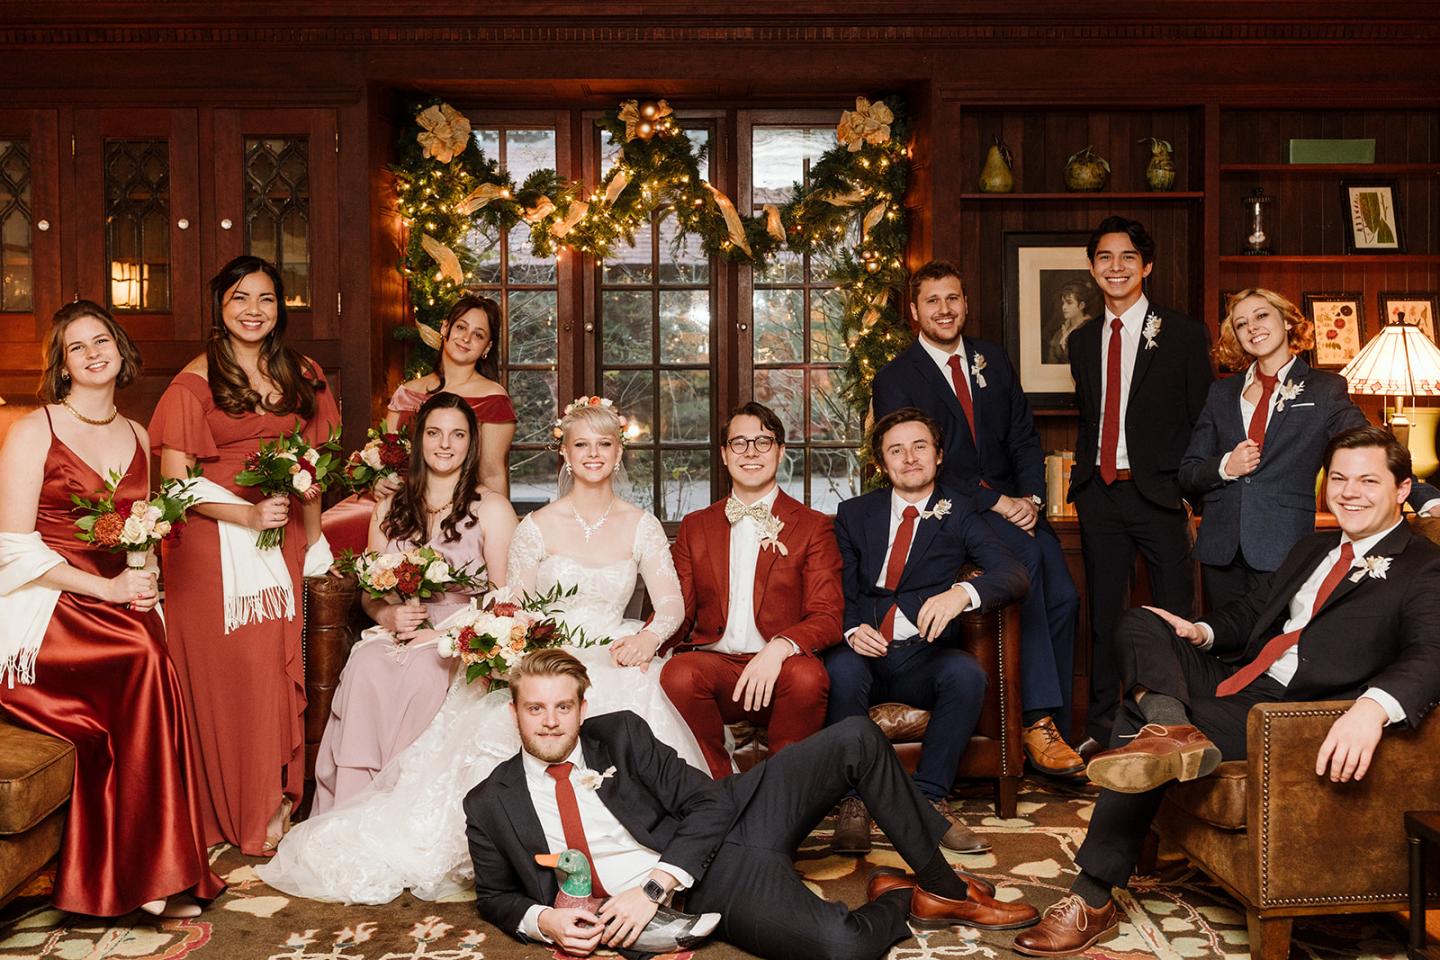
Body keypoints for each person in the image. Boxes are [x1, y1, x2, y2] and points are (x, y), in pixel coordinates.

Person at [256, 397, 705, 904]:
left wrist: (647, 637)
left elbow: (670, 602)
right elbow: (510, 602)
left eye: (604, 444)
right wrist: (513, 645)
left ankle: (622, 851)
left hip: (614, 651)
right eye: (582, 444)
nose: (593, 454)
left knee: (629, 718)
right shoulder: (537, 526)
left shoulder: (641, 524)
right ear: (565, 454)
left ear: (619, 453)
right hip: (547, 654)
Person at [1014, 426, 1440, 956]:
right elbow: (1253, 612)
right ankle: (1170, 728)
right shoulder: (1314, 546)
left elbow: (1432, 653)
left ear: (1402, 490)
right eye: (1339, 478)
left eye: (1368, 480)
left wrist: (1372, 709)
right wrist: (1202, 632)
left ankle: (1091, 896)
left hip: (1288, 713)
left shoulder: (1425, 565)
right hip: (1241, 676)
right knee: (1142, 624)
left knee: (1131, 715)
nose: (1350, 491)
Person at [465, 648, 1040, 960]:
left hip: (723, 822)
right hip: (716, 881)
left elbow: (707, 804)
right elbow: (495, 895)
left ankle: (943, 887)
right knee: (840, 948)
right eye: (535, 709)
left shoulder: (618, 734)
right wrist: (546, 921)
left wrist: (652, 887)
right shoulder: (489, 803)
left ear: (582, 708)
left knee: (856, 738)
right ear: (514, 711)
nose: (549, 721)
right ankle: (902, 900)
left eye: (562, 707)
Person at [0, 301, 224, 917]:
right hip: (45, 605)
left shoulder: (135, 434)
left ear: (121, 350)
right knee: (141, 656)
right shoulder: (33, 429)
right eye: (78, 346)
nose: (94, 352)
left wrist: (144, 579)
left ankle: (155, 875)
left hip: (118, 595)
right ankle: (151, 878)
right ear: (63, 364)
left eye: (103, 340)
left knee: (154, 659)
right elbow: (12, 548)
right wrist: (107, 591)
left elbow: (143, 533)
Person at [149, 256, 341, 855]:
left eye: (264, 298)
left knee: (274, 668)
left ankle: (275, 797)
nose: (253, 310)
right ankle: (221, 807)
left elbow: (315, 468)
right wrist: (245, 514)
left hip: (278, 530)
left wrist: (316, 539)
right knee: (229, 674)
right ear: (220, 308)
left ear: (280, 307)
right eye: (239, 298)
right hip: (209, 540)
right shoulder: (192, 383)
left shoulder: (304, 373)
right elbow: (176, 488)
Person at [873, 260, 1084, 780]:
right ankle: (1034, 721)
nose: (944, 309)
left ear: (965, 304)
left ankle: (1053, 721)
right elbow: (917, 463)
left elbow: (1022, 437)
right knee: (1025, 572)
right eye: (932, 301)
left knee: (1065, 595)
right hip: (955, 512)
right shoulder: (896, 377)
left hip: (1019, 508)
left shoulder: (993, 358)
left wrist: (1032, 497)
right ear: (915, 310)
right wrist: (995, 503)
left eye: (953, 299)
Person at [824, 407, 1028, 856]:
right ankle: (852, 802)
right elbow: (839, 585)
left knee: (966, 674)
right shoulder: (855, 513)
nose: (909, 458)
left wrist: (962, 593)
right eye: (896, 450)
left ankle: (930, 799)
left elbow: (1013, 573)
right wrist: (851, 627)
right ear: (882, 463)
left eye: (919, 447)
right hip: (863, 651)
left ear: (938, 455)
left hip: (924, 653)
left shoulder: (959, 513)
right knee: (841, 672)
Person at [310, 393, 516, 813]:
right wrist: (387, 612)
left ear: (471, 443)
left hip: (460, 633)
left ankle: (401, 805)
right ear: (419, 439)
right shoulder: (389, 506)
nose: (445, 444)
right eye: (435, 433)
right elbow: (371, 590)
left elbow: (503, 598)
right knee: (366, 666)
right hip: (398, 628)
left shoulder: (492, 508)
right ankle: (355, 807)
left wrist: (448, 632)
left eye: (457, 435)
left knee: (425, 670)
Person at [1181, 288, 1440, 611]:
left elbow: (1369, 444)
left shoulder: (1325, 389)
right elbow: (1189, 471)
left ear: (1287, 321)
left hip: (1283, 544)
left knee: (1274, 647)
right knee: (1221, 645)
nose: (1252, 327)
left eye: (1262, 316)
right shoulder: (1221, 392)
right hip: (1220, 551)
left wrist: (1422, 494)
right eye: (1241, 324)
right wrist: (1225, 467)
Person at [1067, 216, 1213, 749]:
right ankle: (1102, 730)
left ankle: (1183, 724)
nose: (1116, 267)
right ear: (1092, 268)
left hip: (1161, 495)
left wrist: (1192, 499)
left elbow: (1202, 421)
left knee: (1177, 615)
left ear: (1146, 266)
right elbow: (1091, 416)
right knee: (1104, 617)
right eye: (1105, 257)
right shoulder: (1082, 341)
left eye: (1127, 257)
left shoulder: (1183, 333)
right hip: (1100, 494)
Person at [661, 401, 842, 779]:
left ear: (780, 451)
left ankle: (779, 793)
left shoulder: (812, 526)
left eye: (763, 442)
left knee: (809, 676)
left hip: (782, 668)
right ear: (725, 454)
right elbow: (679, 610)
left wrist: (778, 648)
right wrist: (650, 642)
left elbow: (827, 615)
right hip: (717, 665)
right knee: (677, 673)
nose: (751, 453)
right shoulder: (696, 526)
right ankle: (720, 787)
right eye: (740, 443)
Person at [321, 294, 517, 553]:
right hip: (398, 500)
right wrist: (377, 481)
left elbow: (492, 472)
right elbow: (382, 453)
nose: (466, 338)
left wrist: (497, 528)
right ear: (445, 328)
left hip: (454, 504)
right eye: (460, 327)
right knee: (327, 528)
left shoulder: (492, 398)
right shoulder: (408, 391)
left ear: (487, 347)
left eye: (478, 335)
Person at [1045, 278, 1098, 365]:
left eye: (1069, 303)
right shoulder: (1060, 332)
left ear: (1081, 305)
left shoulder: (1090, 330)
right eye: (1063, 302)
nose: (1064, 307)